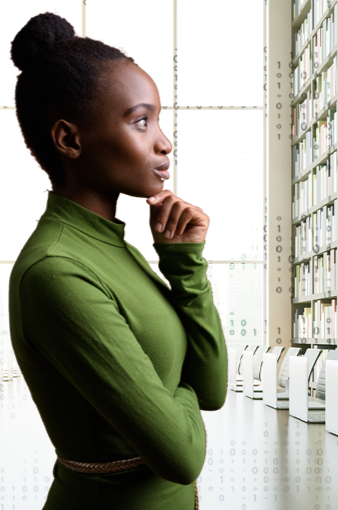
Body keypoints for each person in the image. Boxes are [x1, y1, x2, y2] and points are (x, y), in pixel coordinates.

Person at [7, 12, 228, 510]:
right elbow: (181, 454)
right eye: (141, 120)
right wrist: (178, 396)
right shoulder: (58, 270)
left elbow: (211, 388)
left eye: (159, 121)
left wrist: (184, 262)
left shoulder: (117, 248)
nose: (164, 142)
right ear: (69, 140)